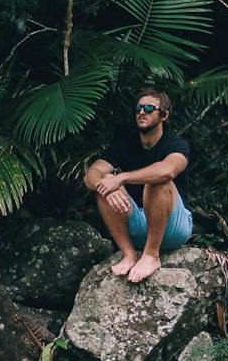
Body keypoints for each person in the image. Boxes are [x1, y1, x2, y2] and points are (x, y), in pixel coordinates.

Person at [82, 86, 194, 283]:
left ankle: (151, 256)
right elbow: (92, 174)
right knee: (104, 184)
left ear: (164, 115)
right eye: (139, 108)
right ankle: (129, 254)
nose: (142, 112)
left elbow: (167, 170)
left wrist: (122, 178)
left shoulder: (175, 144)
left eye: (150, 108)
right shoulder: (125, 144)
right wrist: (106, 185)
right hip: (137, 226)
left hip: (173, 227)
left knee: (155, 180)